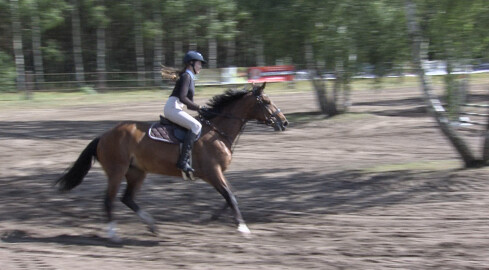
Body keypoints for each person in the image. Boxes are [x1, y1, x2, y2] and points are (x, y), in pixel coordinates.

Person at [163, 51, 206, 174]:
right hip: (173, 108)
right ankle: (182, 161)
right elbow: (182, 98)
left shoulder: (189, 77)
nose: (201, 66)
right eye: (199, 63)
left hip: (176, 107)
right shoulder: (186, 77)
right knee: (196, 126)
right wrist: (199, 107)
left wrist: (203, 109)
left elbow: (188, 104)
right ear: (191, 63)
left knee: (197, 123)